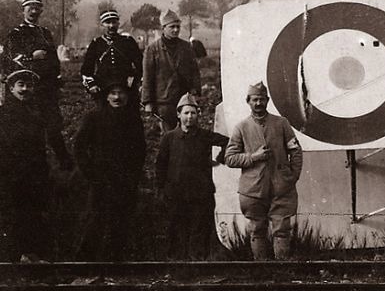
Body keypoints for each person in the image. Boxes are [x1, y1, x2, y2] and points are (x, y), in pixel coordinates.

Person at [224, 82, 303, 260]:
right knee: (257, 230)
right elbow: (230, 158)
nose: (258, 103)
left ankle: (282, 273)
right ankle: (262, 271)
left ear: (267, 101)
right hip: (252, 190)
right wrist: (253, 157)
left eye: (262, 99)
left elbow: (295, 150)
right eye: (254, 100)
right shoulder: (241, 127)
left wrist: (292, 176)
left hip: (281, 187)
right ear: (248, 101)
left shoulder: (281, 123)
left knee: (282, 230)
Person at [73, 82, 147, 260]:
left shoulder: (133, 119)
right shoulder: (93, 117)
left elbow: (140, 150)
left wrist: (133, 176)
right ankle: (85, 262)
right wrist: (90, 173)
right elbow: (79, 147)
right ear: (106, 96)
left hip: (124, 179)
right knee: (95, 219)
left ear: (127, 97)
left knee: (122, 220)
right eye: (113, 93)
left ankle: (116, 261)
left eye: (121, 93)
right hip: (100, 178)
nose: (117, 97)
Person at [3, 0, 73, 168]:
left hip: (47, 89)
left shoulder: (45, 33)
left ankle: (65, 165)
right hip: (27, 90)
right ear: (23, 10)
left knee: (53, 128)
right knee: (29, 130)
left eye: (37, 8)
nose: (33, 11)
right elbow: (9, 58)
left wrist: (57, 76)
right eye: (30, 8)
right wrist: (30, 56)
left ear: (41, 11)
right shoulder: (16, 33)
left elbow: (53, 60)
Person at [155, 93, 229, 259]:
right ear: (178, 115)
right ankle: (176, 265)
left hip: (200, 194)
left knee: (199, 231)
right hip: (175, 194)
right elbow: (161, 165)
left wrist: (220, 158)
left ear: (198, 115)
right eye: (186, 113)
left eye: (193, 113)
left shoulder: (204, 136)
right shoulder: (169, 138)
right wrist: (161, 189)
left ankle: (198, 266)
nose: (189, 117)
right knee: (176, 230)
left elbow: (229, 142)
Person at [0, 69, 57, 261]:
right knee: (13, 214)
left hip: (34, 173)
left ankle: (30, 253)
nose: (25, 89)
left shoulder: (35, 111)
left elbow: (40, 144)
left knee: (33, 213)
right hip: (11, 173)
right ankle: (13, 256)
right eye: (20, 85)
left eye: (28, 85)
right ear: (11, 88)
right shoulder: (4, 113)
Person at [80, 9, 143, 124]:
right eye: (107, 22)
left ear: (118, 24)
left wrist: (137, 83)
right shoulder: (96, 44)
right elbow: (86, 70)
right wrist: (92, 86)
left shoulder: (128, 42)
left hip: (126, 89)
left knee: (130, 121)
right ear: (101, 25)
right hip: (104, 89)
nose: (111, 26)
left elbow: (141, 66)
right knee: (104, 121)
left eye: (114, 22)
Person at [143, 10, 200, 132]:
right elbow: (148, 77)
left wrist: (195, 93)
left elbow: (194, 72)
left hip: (184, 99)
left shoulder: (186, 47)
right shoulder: (152, 49)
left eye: (178, 27)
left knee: (187, 133)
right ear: (163, 28)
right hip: (164, 101)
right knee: (168, 135)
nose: (175, 30)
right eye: (172, 27)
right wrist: (148, 102)